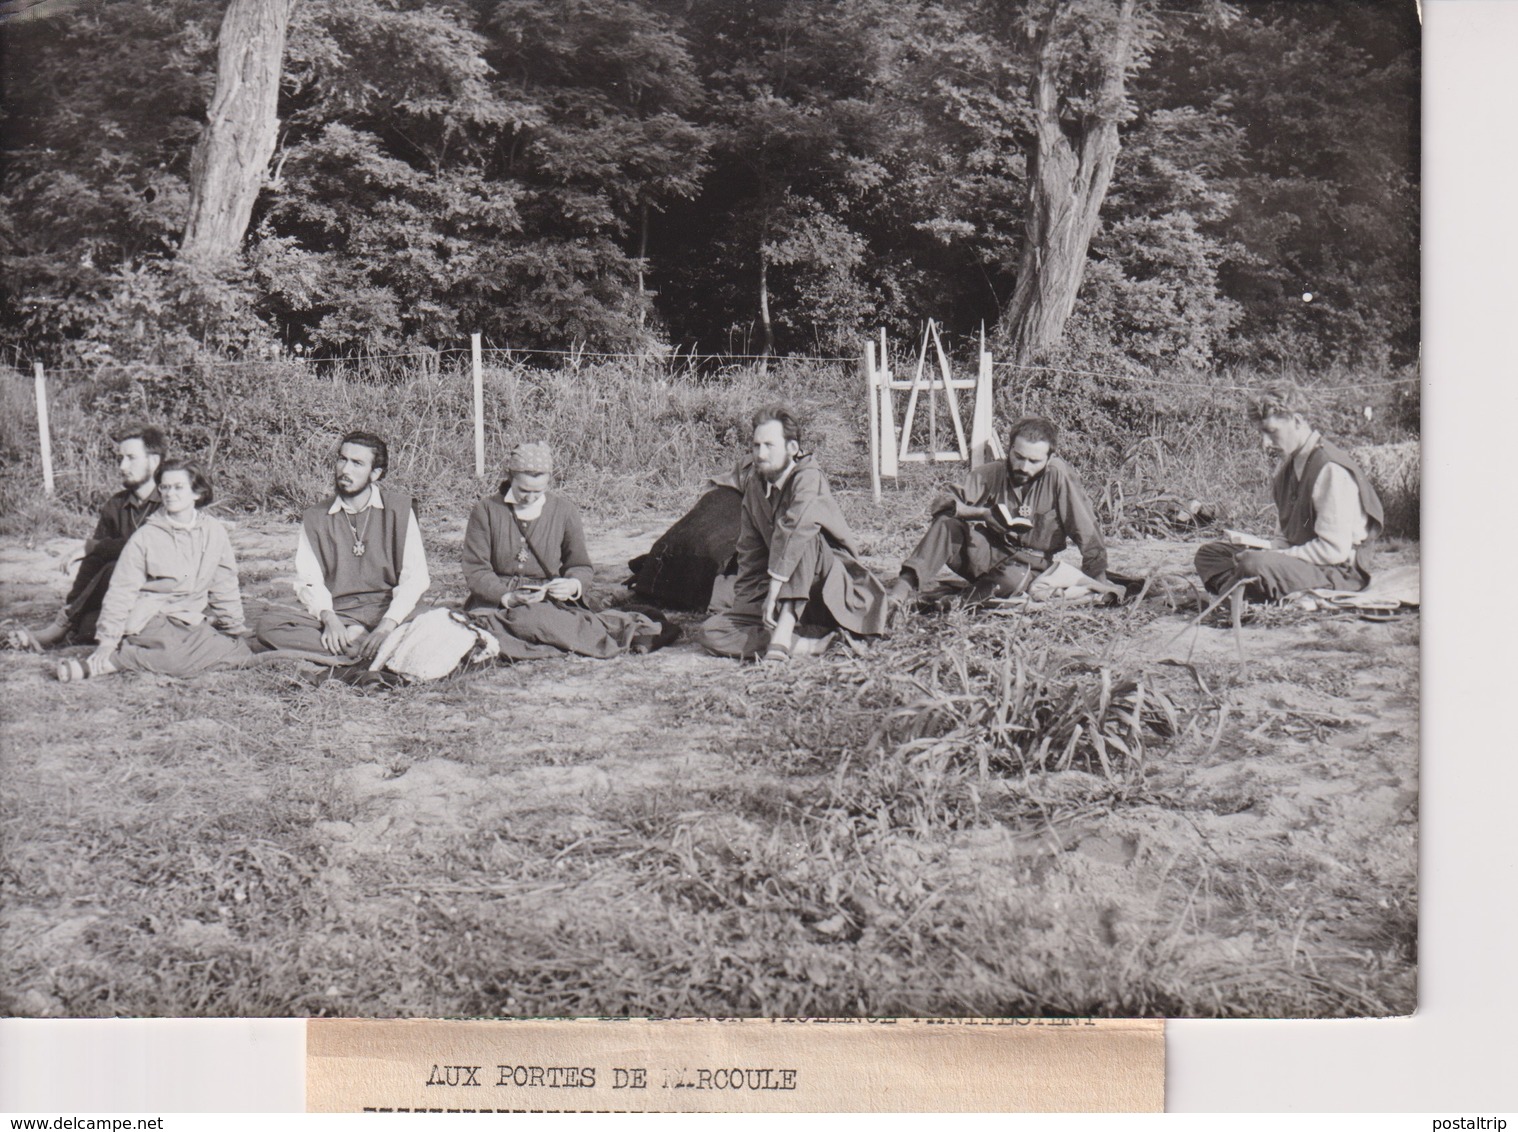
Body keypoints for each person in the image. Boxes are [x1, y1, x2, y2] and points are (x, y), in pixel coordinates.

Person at [699, 406, 888, 661]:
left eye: (769, 445)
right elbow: (750, 554)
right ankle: (808, 645)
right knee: (712, 631)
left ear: (792, 448)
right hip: (782, 592)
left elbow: (796, 528)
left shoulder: (808, 476)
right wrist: (746, 607)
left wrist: (776, 585)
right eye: (756, 446)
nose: (760, 454)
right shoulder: (755, 485)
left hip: (827, 589)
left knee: (805, 536)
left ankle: (783, 633)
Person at [464, 442, 672, 660]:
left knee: (537, 620)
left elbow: (579, 565)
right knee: (521, 622)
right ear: (510, 477)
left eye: (538, 491)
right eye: (523, 490)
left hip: (547, 599)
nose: (530, 498)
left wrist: (572, 585)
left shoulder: (564, 511)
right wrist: (506, 597)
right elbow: (476, 569)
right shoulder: (486, 511)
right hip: (496, 601)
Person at [55, 459, 251, 680]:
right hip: (150, 619)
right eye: (164, 487)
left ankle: (199, 649)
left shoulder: (214, 531)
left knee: (237, 648)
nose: (169, 493)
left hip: (189, 620)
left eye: (178, 487)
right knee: (178, 661)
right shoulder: (146, 537)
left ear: (197, 493)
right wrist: (107, 641)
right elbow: (121, 590)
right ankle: (113, 661)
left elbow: (224, 582)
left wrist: (234, 627)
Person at [887, 416, 1108, 607]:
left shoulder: (1058, 477)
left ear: (1049, 458)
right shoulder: (992, 473)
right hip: (987, 555)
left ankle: (953, 605)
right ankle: (897, 596)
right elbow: (941, 504)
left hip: (1032, 565)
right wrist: (982, 514)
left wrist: (1097, 580)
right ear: (1009, 448)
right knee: (947, 523)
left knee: (1015, 578)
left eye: (1034, 461)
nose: (1024, 467)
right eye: (1019, 457)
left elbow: (1087, 531)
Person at [1194, 384, 1384, 602]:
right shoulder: (1288, 468)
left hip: (1337, 571)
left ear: (1297, 420)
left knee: (1253, 565)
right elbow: (1283, 537)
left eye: (1272, 432)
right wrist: (1269, 551)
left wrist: (1271, 557)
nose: (1265, 444)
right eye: (1262, 434)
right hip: (1299, 562)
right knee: (1210, 554)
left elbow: (1333, 551)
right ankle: (1241, 592)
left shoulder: (1330, 469)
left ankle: (1235, 594)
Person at [254, 431, 430, 661]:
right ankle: (369, 649)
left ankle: (354, 648)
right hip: (343, 613)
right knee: (269, 626)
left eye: (357, 463)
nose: (345, 470)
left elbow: (415, 578)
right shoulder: (316, 516)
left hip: (390, 610)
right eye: (342, 459)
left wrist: (386, 625)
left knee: (439, 623)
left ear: (375, 473)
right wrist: (330, 620)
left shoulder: (400, 509)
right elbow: (309, 579)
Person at [5, 423, 165, 651]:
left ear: (154, 461)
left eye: (131, 458)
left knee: (113, 568)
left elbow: (149, 552)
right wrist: (72, 605)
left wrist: (94, 547)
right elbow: (92, 564)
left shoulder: (170, 500)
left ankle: (59, 630)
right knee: (87, 626)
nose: (122, 466)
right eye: (120, 458)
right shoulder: (116, 504)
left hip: (156, 590)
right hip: (119, 595)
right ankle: (69, 623)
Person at [627, 454, 753, 611]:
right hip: (735, 495)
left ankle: (663, 584)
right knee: (684, 546)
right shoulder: (750, 468)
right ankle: (656, 581)